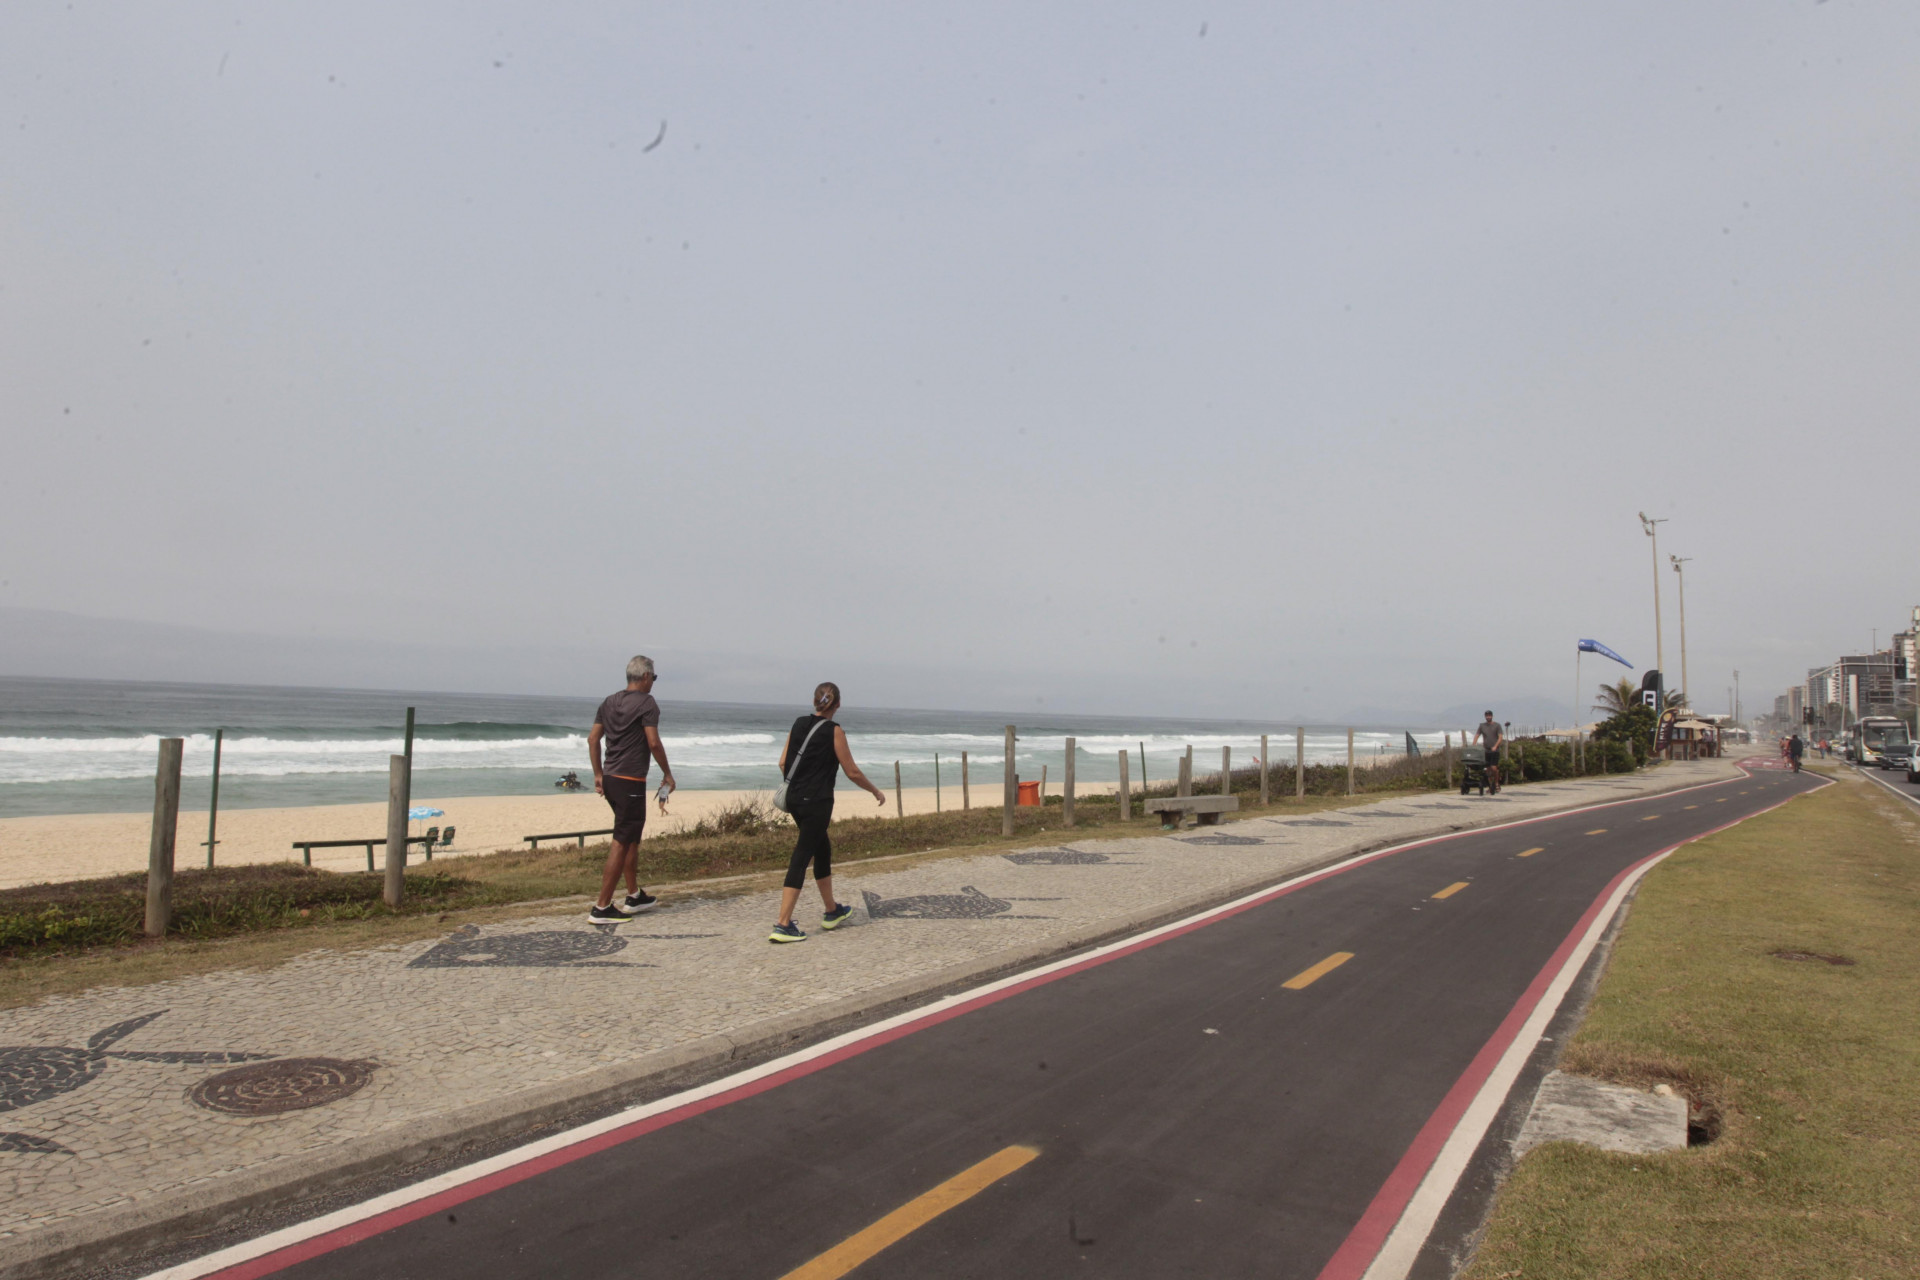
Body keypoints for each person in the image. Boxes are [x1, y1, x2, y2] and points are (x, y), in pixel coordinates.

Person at [769, 682, 886, 944]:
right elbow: (852, 771)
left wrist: (799, 784)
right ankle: (783, 924)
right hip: (817, 803)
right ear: (838, 704)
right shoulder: (835, 731)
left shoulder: (799, 723)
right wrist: (875, 791)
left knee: (822, 849)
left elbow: (782, 762)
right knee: (802, 855)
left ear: (815, 701)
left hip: (795, 801)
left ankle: (832, 910)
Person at [586, 655, 677, 924]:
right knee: (622, 839)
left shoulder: (609, 701)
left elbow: (593, 739)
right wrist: (668, 773)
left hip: (612, 778)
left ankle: (634, 895)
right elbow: (653, 742)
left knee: (631, 837)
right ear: (646, 677)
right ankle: (601, 907)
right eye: (654, 678)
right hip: (631, 781)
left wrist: (598, 774)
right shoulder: (647, 703)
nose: (653, 683)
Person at [1475, 711, 1505, 793]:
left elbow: (1500, 737)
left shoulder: (1497, 725)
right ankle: (1490, 786)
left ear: (1492, 716)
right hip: (1486, 750)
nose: (1488, 717)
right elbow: (1477, 735)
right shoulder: (1482, 726)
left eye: (1489, 716)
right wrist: (1474, 744)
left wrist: (1495, 746)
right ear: (1485, 716)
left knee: (1494, 768)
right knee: (1487, 769)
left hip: (1495, 750)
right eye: (1487, 716)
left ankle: (1496, 783)